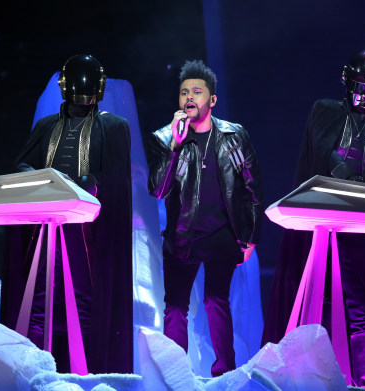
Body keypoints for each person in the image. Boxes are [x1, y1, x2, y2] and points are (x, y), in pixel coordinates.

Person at [261, 49, 365, 390]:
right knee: (313, 299)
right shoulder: (324, 112)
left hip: (363, 234)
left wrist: (362, 186)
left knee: (361, 310)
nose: (363, 97)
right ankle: (306, 378)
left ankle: (364, 383)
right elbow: (308, 167)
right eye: (358, 88)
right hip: (320, 229)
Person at [1, 54, 133, 374]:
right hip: (43, 228)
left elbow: (116, 178)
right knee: (38, 299)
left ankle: (84, 373)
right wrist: (35, 177)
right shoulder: (47, 127)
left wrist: (91, 183)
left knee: (84, 299)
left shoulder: (113, 126)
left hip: (85, 233)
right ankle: (35, 373)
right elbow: (23, 163)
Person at [147, 59, 264, 377]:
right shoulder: (162, 138)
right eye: (184, 92)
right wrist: (174, 146)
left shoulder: (233, 136)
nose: (189, 97)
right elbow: (157, 190)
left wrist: (250, 236)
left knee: (216, 301)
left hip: (222, 236)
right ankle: (176, 373)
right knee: (174, 308)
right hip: (181, 236)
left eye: (196, 92)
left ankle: (225, 371)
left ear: (211, 100)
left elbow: (252, 189)